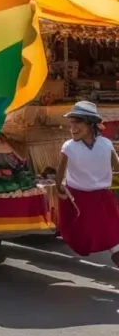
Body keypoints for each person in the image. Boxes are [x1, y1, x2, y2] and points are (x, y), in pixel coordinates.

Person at [55, 101, 119, 266]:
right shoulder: (70, 147)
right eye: (72, 123)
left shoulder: (105, 145)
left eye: (78, 122)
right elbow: (59, 176)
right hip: (80, 199)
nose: (73, 128)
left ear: (91, 124)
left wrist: (59, 188)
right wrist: (60, 189)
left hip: (98, 198)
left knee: (110, 235)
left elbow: (117, 166)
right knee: (106, 234)